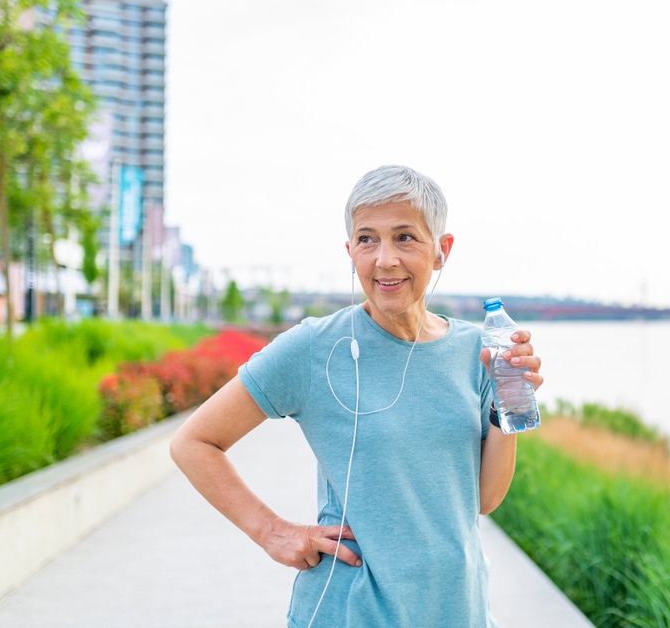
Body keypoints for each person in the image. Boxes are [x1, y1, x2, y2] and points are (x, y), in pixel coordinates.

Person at [170, 164, 543, 627]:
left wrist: (506, 406)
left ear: (442, 251)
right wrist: (272, 533)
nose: (384, 259)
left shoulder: (479, 349)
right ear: (351, 251)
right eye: (367, 239)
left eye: (405, 237)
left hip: (456, 610)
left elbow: (483, 501)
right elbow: (193, 442)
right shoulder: (314, 348)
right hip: (349, 611)